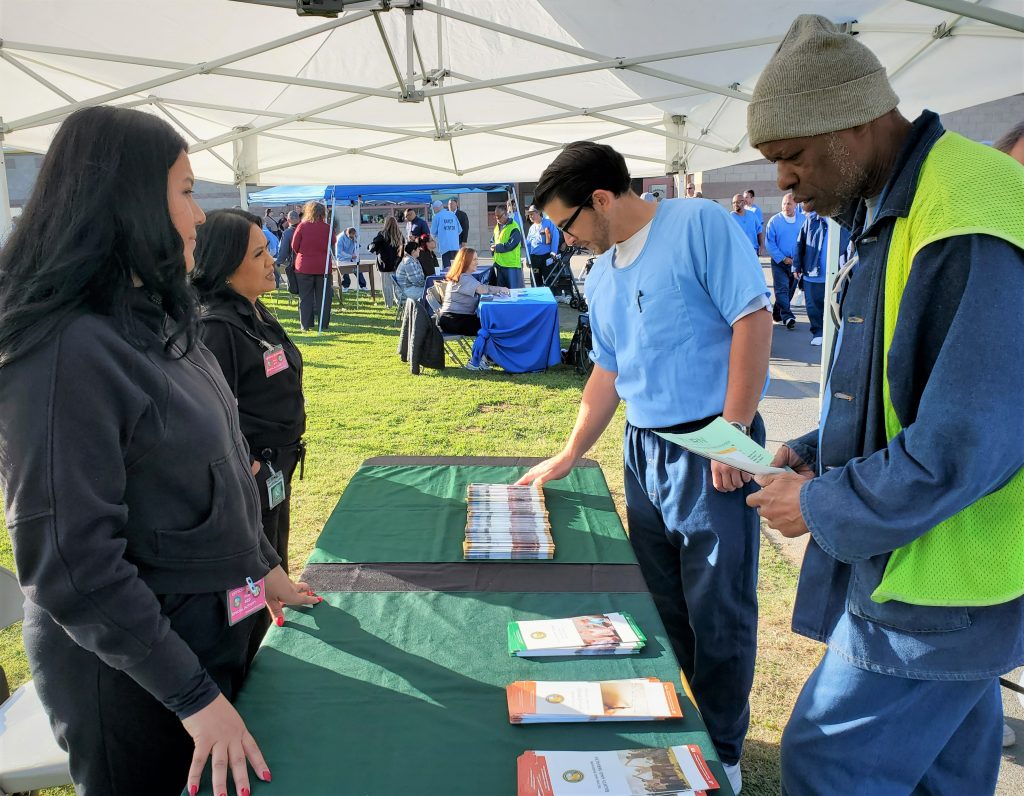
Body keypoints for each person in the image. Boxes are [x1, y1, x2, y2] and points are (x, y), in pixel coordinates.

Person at [0, 106, 320, 796]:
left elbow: (224, 463)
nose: (200, 215)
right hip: (134, 679)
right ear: (128, 201)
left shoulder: (160, 322)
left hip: (207, 633)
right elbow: (73, 566)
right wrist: (194, 699)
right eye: (184, 190)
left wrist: (262, 568)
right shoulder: (66, 352)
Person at [745, 15, 1024, 795]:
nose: (784, 184)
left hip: (945, 575)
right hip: (940, 567)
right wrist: (818, 452)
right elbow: (898, 388)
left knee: (830, 759)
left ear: (858, 123)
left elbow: (968, 437)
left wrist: (825, 503)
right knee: (948, 773)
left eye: (792, 158)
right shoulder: (895, 202)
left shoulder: (967, 210)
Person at [516, 141, 772, 795]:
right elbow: (609, 368)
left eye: (567, 222)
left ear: (602, 199)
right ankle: (680, 727)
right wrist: (573, 451)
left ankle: (722, 747)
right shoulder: (598, 273)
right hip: (644, 448)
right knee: (660, 605)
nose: (565, 237)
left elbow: (752, 319)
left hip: (714, 440)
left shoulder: (698, 223)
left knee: (720, 607)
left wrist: (734, 434)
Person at [191, 209, 307, 663]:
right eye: (258, 254)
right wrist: (249, 465)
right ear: (224, 264)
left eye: (266, 250)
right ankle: (245, 670)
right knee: (246, 584)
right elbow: (212, 412)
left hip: (275, 470)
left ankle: (262, 640)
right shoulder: (216, 325)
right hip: (250, 477)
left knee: (271, 557)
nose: (271, 260)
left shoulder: (253, 312)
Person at [792, 209, 849, 346]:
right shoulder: (811, 220)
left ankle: (834, 334)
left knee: (835, 305)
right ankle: (818, 332)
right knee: (813, 305)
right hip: (813, 273)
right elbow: (800, 243)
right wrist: (796, 266)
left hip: (838, 274)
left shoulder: (845, 221)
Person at [438, 247, 509, 340]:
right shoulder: (462, 278)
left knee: (492, 322)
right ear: (465, 261)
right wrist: (501, 289)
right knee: (493, 326)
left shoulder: (466, 276)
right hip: (454, 320)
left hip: (456, 318)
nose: (477, 262)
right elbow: (482, 289)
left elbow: (482, 288)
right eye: (474, 259)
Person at [290, 201, 333, 331]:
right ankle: (323, 324)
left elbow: (294, 246)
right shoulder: (328, 228)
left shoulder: (302, 226)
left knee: (305, 297)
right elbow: (333, 242)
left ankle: (306, 325)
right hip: (323, 267)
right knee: (324, 297)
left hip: (304, 267)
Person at [764, 192, 802, 329]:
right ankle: (788, 316)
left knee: (790, 290)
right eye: (784, 203)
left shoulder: (802, 220)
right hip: (779, 262)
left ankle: (777, 314)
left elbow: (805, 242)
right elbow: (769, 243)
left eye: (789, 203)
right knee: (781, 289)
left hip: (796, 263)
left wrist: (798, 260)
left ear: (796, 205)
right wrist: (782, 258)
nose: (786, 206)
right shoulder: (774, 221)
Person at [370, 215, 404, 308]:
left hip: (384, 264)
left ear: (386, 223)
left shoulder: (382, 234)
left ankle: (388, 304)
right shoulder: (399, 234)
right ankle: (399, 302)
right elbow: (403, 249)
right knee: (397, 285)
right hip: (397, 264)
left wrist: (370, 247)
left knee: (386, 286)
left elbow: (374, 246)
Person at [525, 205, 560, 288]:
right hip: (534, 259)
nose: (530, 217)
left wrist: (553, 252)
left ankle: (549, 298)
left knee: (549, 280)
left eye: (532, 214)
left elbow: (555, 236)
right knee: (535, 280)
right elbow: (528, 244)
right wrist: (527, 258)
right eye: (529, 215)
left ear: (538, 213)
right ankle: (537, 299)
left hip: (546, 257)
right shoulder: (532, 228)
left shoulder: (548, 223)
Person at [491, 204, 524, 289]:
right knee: (502, 293)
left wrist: (497, 248)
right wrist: (492, 245)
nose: (497, 219)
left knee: (513, 293)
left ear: (506, 214)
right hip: (500, 265)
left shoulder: (514, 227)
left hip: (511, 266)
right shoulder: (497, 227)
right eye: (496, 216)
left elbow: (511, 245)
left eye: (499, 216)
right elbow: (493, 240)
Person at [430, 199, 463, 269]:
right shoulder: (452, 215)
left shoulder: (437, 217)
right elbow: (459, 230)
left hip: (445, 247)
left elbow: (432, 234)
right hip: (455, 246)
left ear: (436, 208)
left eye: (433, 209)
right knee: (456, 268)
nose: (433, 210)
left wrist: (437, 241)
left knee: (447, 269)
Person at [335, 226, 367, 292]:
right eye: (351, 237)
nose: (352, 238)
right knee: (345, 273)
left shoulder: (355, 235)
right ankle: (345, 286)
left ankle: (363, 285)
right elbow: (340, 252)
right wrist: (350, 256)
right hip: (343, 258)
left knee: (358, 270)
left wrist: (355, 253)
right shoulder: (340, 239)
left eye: (354, 236)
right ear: (347, 233)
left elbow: (357, 245)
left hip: (353, 257)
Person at [275, 210, 300, 291]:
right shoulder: (306, 230)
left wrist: (278, 262)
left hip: (295, 264)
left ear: (288, 220)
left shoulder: (288, 232)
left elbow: (284, 250)